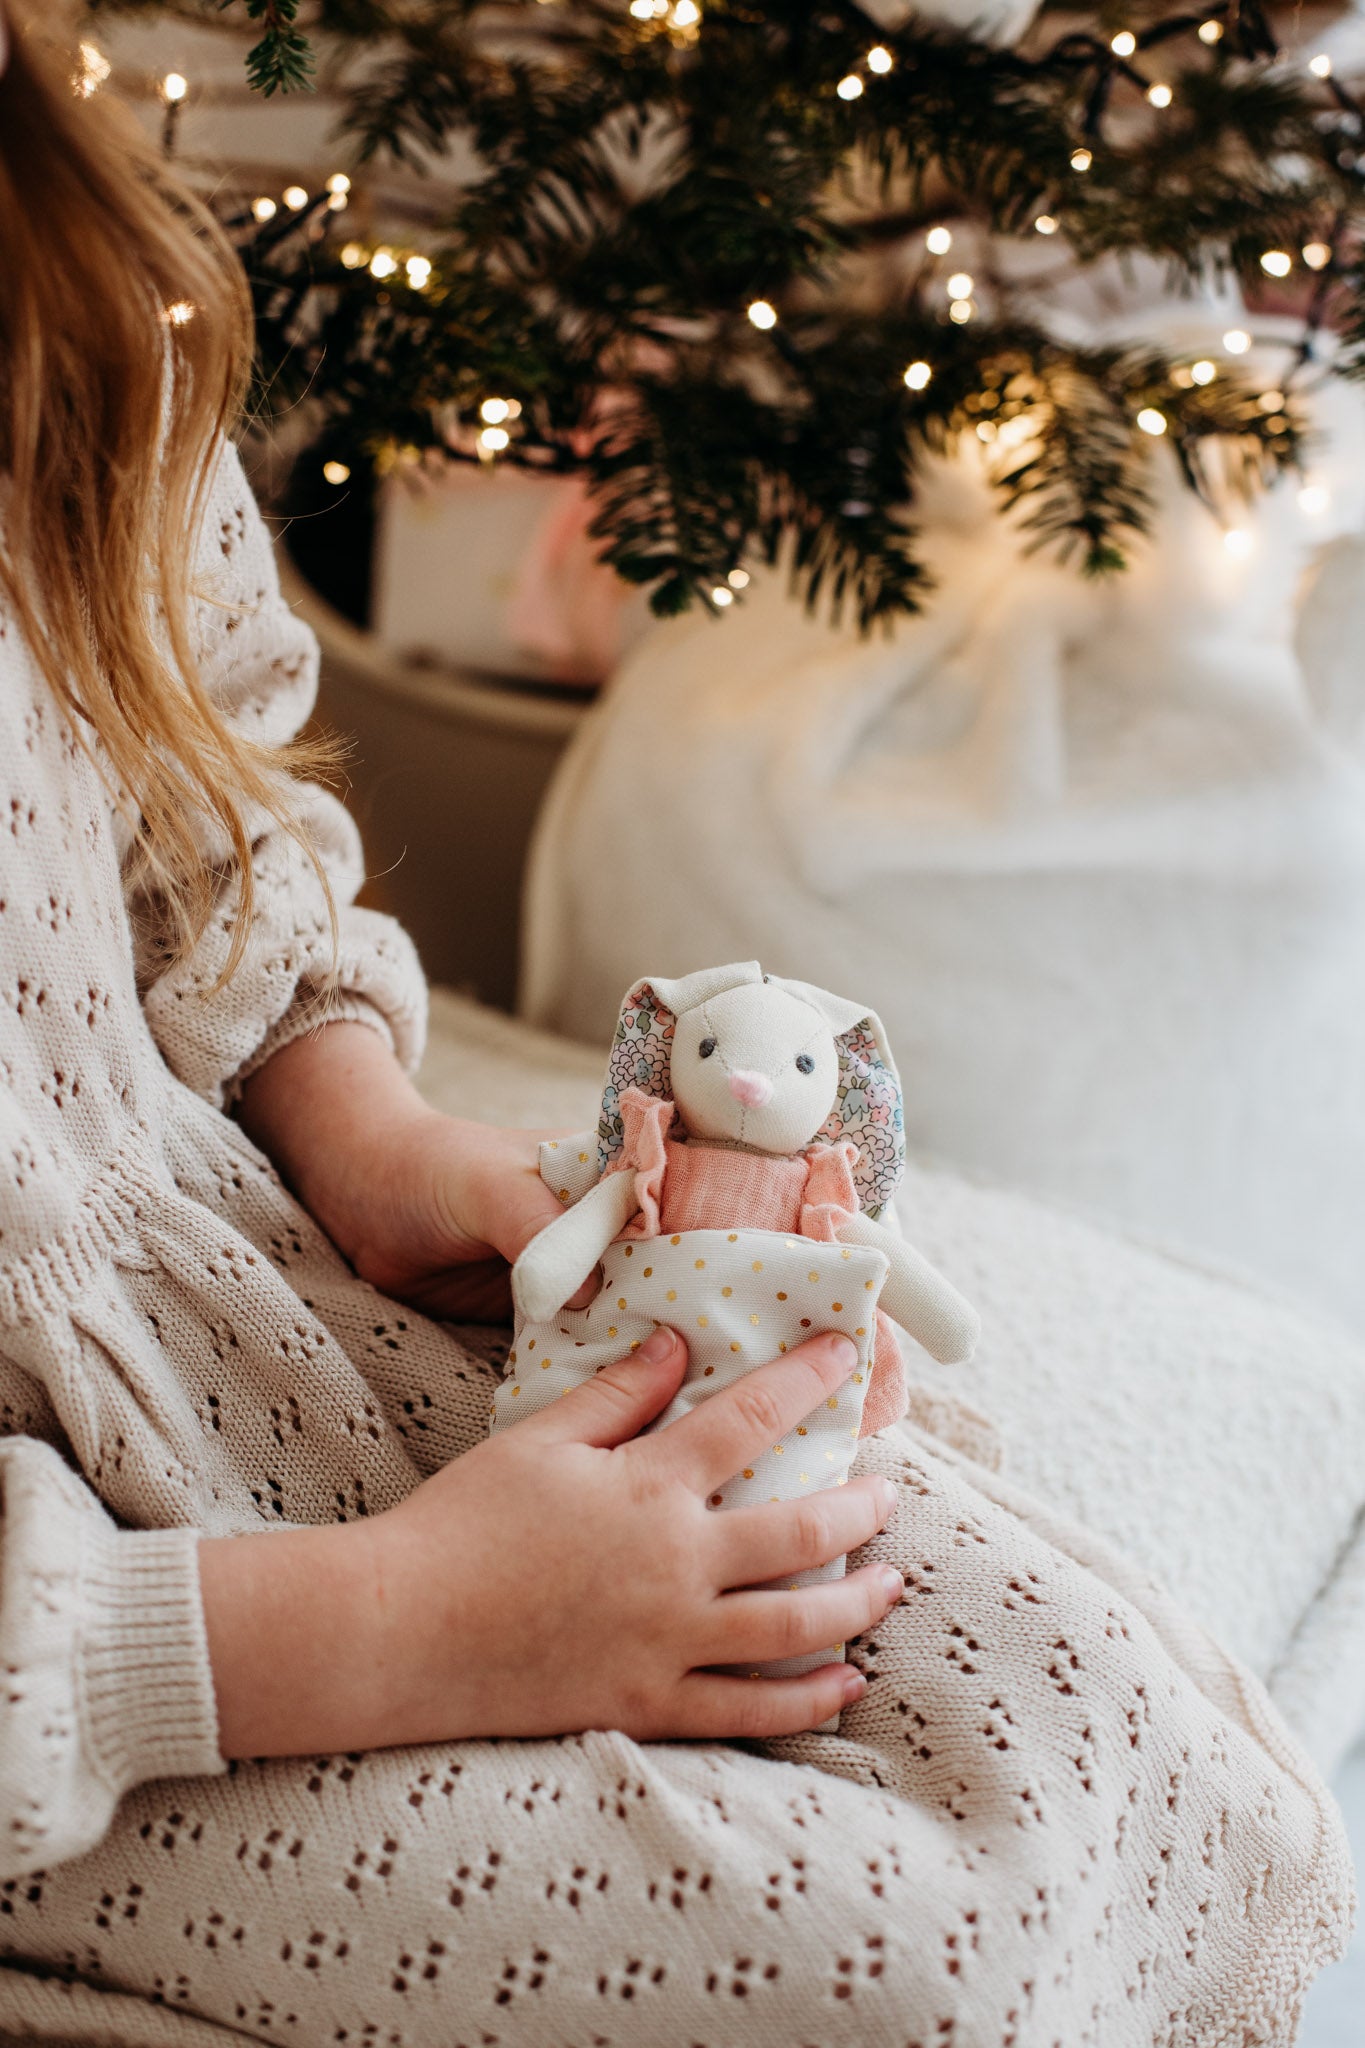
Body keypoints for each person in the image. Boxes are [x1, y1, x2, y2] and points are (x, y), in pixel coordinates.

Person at [0, 8, 1349, 2045]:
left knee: (1086, 1714)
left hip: (213, 1279)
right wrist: (378, 1631)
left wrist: (355, 1129)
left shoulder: (40, 234)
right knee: (924, 1975)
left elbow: (193, 790)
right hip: (83, 1651)